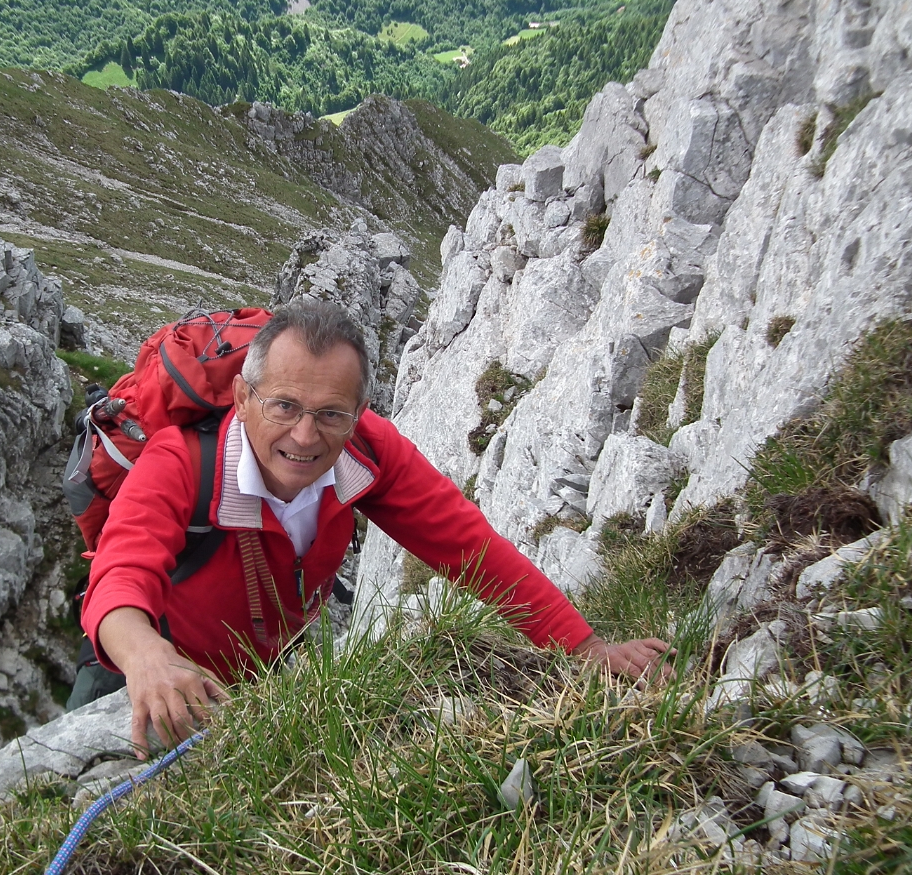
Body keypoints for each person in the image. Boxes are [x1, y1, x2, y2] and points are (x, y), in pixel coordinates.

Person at [79, 299, 673, 757]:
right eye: (283, 406)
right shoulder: (181, 463)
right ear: (242, 395)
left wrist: (586, 648)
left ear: (360, 412)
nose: (306, 437)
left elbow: (472, 550)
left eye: (332, 413)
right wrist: (146, 656)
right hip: (147, 674)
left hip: (260, 676)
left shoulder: (368, 452)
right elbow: (119, 576)